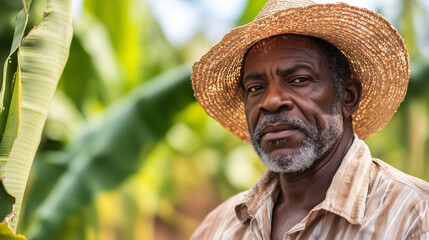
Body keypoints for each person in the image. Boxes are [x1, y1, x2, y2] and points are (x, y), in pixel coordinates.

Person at [190, 0, 429, 239]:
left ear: (348, 97)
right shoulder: (219, 227)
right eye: (255, 88)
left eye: (299, 80)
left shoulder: (415, 216)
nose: (271, 101)